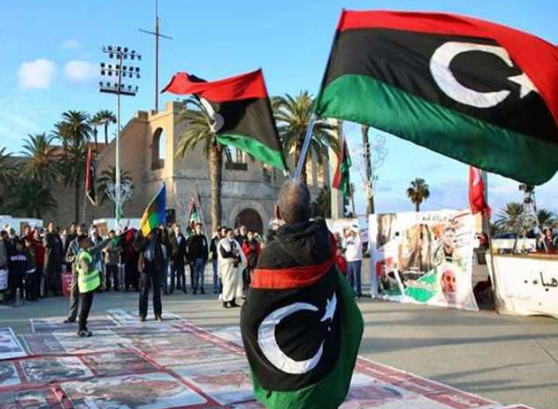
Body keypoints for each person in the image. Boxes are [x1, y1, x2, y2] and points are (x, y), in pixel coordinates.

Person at [240, 179, 363, 409]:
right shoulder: (326, 245)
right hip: (324, 371)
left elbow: (252, 316)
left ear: (277, 211)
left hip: (288, 383)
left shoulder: (271, 255)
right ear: (311, 210)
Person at [75, 234, 110, 337]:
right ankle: (81, 329)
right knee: (84, 308)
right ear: (82, 244)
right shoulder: (83, 256)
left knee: (87, 307)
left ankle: (84, 327)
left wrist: (108, 239)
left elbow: (98, 247)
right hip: (85, 286)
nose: (89, 242)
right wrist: (95, 261)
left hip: (89, 285)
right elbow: (87, 269)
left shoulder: (88, 251)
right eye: (86, 241)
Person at [135, 229, 165, 321]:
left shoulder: (158, 231)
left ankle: (158, 313)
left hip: (156, 264)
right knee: (144, 290)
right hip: (145, 265)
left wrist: (163, 230)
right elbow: (137, 247)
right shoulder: (142, 232)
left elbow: (165, 241)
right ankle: (142, 314)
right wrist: (147, 239)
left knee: (157, 290)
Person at [64, 224, 86, 323]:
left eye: (84, 231)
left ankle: (83, 316)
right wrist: (75, 258)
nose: (82, 232)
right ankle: (72, 316)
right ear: (77, 232)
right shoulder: (73, 243)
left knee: (85, 295)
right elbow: (67, 257)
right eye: (80, 231)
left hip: (86, 272)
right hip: (76, 271)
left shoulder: (89, 242)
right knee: (74, 294)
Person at [218, 228, 245, 308]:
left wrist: (238, 259)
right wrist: (233, 255)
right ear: (226, 234)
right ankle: (225, 301)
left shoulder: (235, 243)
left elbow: (239, 253)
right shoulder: (223, 243)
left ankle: (232, 301)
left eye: (232, 234)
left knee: (235, 283)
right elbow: (224, 254)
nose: (231, 235)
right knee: (228, 283)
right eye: (230, 234)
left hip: (235, 265)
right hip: (227, 266)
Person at [43, 221, 64, 296]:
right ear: (48, 227)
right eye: (51, 226)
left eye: (53, 226)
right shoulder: (47, 235)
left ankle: (57, 290)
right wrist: (54, 241)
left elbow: (61, 246)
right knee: (49, 275)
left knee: (57, 275)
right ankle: (49, 291)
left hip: (57, 258)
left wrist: (62, 257)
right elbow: (46, 244)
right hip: (49, 259)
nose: (52, 227)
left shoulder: (57, 235)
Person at [188, 223, 208, 295]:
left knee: (202, 275)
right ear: (196, 229)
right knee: (195, 275)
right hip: (195, 259)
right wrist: (190, 260)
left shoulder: (203, 237)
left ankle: (202, 287)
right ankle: (195, 287)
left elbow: (206, 248)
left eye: (200, 228)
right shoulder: (193, 238)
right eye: (198, 228)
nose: (199, 229)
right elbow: (190, 250)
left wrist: (206, 258)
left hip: (202, 258)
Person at [344, 225, 363, 297]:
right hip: (349, 260)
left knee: (356, 276)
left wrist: (353, 228)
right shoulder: (348, 239)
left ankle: (358, 292)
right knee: (349, 277)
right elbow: (344, 245)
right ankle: (349, 292)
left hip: (356, 260)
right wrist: (346, 236)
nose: (351, 233)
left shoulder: (358, 239)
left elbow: (359, 233)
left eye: (352, 232)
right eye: (350, 232)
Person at [169, 224, 187, 294]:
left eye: (178, 230)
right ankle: (171, 288)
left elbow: (185, 249)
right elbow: (170, 249)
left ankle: (184, 288)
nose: (177, 231)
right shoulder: (171, 239)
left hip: (181, 258)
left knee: (182, 274)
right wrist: (170, 259)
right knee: (172, 275)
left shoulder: (183, 239)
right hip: (174, 259)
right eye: (176, 230)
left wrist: (186, 258)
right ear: (174, 230)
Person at [241, 230, 261, 296]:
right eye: (249, 234)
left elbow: (258, 251)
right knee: (247, 276)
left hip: (254, 260)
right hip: (247, 261)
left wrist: (259, 259)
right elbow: (243, 252)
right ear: (247, 235)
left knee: (255, 275)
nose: (250, 235)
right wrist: (250, 248)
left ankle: (255, 289)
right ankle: (247, 289)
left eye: (251, 234)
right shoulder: (245, 242)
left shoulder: (256, 242)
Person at [7, 239, 26, 304]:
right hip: (15, 272)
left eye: (20, 245)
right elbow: (11, 262)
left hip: (21, 272)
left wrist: (24, 271)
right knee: (14, 285)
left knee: (21, 285)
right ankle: (13, 297)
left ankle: (22, 297)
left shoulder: (24, 253)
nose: (19, 246)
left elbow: (25, 263)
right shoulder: (13, 253)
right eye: (17, 245)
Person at [209, 226, 225, 294]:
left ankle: (221, 287)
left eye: (220, 231)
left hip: (222, 259)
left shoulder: (223, 239)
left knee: (222, 274)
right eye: (218, 231)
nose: (219, 233)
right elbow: (211, 249)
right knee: (215, 273)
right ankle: (215, 287)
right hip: (215, 258)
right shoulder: (214, 239)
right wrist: (212, 240)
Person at [23, 237, 38, 301]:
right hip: (27, 269)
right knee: (27, 284)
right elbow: (25, 260)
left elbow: (33, 257)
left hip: (33, 268)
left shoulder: (32, 249)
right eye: (27, 242)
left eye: (29, 242)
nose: (28, 243)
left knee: (33, 283)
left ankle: (33, 295)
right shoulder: (25, 250)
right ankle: (27, 296)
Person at [33, 230, 45, 298]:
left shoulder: (42, 241)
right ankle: (35, 293)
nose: (37, 234)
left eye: (38, 233)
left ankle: (40, 293)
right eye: (36, 233)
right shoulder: (33, 242)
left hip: (42, 263)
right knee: (36, 279)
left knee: (41, 279)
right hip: (35, 263)